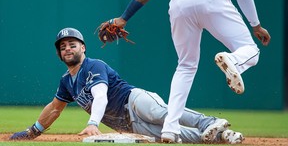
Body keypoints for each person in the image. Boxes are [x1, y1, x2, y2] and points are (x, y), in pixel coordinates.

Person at [98, 0, 271, 143]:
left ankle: (170, 130)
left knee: (186, 65)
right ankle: (233, 59)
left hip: (179, 2)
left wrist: (124, 18)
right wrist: (256, 25)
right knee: (251, 51)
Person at [10, 27, 244, 144]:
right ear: (60, 54)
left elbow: (100, 95)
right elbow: (54, 108)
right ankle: (222, 137)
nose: (67, 49)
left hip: (133, 100)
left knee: (164, 113)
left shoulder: (94, 65)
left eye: (72, 44)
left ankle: (210, 122)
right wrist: (33, 132)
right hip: (128, 124)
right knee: (172, 136)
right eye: (63, 47)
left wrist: (92, 123)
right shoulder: (66, 82)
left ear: (83, 48)